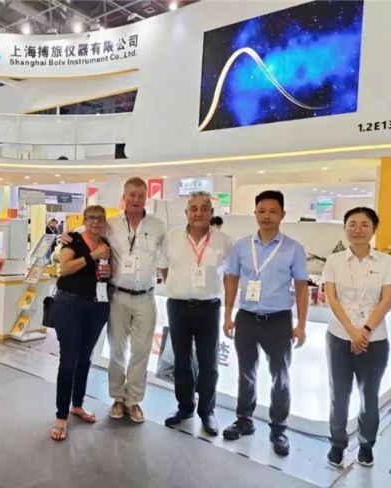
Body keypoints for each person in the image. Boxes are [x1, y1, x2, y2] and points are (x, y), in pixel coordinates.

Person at [59, 177, 165, 423]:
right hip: (117, 294)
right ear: (124, 197)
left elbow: (165, 259)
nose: (136, 199)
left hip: (146, 296)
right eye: (131, 195)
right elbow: (88, 231)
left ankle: (133, 400)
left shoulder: (158, 226)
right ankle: (117, 398)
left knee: (141, 351)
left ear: (146, 197)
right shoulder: (112, 224)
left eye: (140, 195)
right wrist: (65, 237)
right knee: (117, 349)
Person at [222, 190, 308, 456]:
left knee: (280, 377)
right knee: (246, 373)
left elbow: (302, 288)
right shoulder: (241, 246)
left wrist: (301, 324)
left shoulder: (293, 248)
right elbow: (231, 281)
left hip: (278, 320)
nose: (266, 216)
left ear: (282, 214)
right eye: (261, 211)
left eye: (272, 211)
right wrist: (227, 315)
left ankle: (279, 428)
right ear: (255, 214)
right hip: (247, 318)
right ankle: (244, 420)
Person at [322, 207, 391, 468]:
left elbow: (386, 300)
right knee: (339, 394)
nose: (358, 229)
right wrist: (350, 330)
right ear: (344, 228)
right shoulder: (334, 261)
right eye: (352, 224)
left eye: (364, 224)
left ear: (374, 229)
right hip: (339, 337)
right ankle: (337, 444)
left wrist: (364, 330)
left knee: (369, 396)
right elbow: (331, 298)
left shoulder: (386, 262)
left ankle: (366, 446)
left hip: (374, 340)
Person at [160, 191, 232, 436]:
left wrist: (228, 310)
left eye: (204, 208)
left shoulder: (223, 240)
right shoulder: (172, 237)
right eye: (194, 208)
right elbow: (163, 267)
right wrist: (177, 287)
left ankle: (207, 410)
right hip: (178, 306)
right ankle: (185, 407)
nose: (198, 213)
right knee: (181, 360)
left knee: (208, 361)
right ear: (186, 213)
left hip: (209, 307)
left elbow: (230, 276)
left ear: (211, 213)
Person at [49, 205, 112, 441]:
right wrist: (91, 256)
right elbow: (64, 269)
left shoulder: (106, 244)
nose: (96, 222)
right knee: (69, 360)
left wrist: (107, 270)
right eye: (91, 218)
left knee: (85, 358)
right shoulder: (73, 239)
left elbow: (105, 273)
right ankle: (61, 417)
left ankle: (77, 405)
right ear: (84, 220)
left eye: (100, 218)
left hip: (97, 306)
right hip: (70, 304)